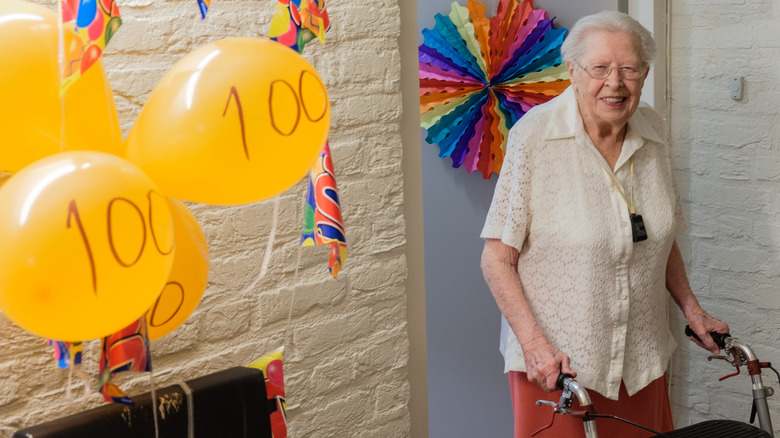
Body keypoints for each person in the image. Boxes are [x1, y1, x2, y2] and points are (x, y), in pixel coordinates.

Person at [480, 10, 729, 437]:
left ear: (645, 74)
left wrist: (693, 309)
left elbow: (659, 237)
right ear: (573, 71)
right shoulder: (534, 138)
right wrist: (536, 347)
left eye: (629, 69)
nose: (614, 83)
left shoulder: (653, 130)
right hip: (560, 369)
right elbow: (496, 260)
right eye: (599, 68)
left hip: (640, 358)